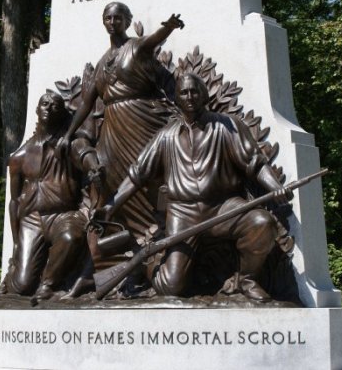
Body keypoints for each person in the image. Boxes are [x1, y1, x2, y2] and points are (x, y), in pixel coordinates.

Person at [99, 73, 292, 302]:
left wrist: (275, 187)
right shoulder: (165, 136)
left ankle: (247, 280)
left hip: (224, 207)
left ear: (204, 94)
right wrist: (111, 205)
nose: (189, 96)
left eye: (194, 91)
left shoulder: (227, 126)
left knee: (261, 223)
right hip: (184, 212)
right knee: (170, 287)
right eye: (183, 92)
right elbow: (137, 174)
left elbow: (256, 163)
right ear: (177, 99)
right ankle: (147, 262)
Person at [56, 2, 184, 242]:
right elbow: (86, 103)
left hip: (142, 117)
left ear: (127, 21)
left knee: (150, 172)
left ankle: (165, 227)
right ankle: (129, 235)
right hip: (114, 126)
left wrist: (169, 27)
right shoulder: (103, 62)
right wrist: (68, 134)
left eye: (117, 18)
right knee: (112, 177)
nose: (112, 22)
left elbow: (153, 39)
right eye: (108, 18)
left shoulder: (136, 47)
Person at [2, 91, 100, 302]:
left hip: (63, 215)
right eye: (44, 104)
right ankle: (14, 273)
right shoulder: (18, 157)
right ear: (37, 110)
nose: (49, 108)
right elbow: (14, 201)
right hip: (32, 220)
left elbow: (85, 153)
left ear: (62, 112)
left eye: (55, 105)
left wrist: (94, 167)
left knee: (70, 237)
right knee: (21, 285)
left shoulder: (68, 143)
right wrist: (16, 242)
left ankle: (48, 284)